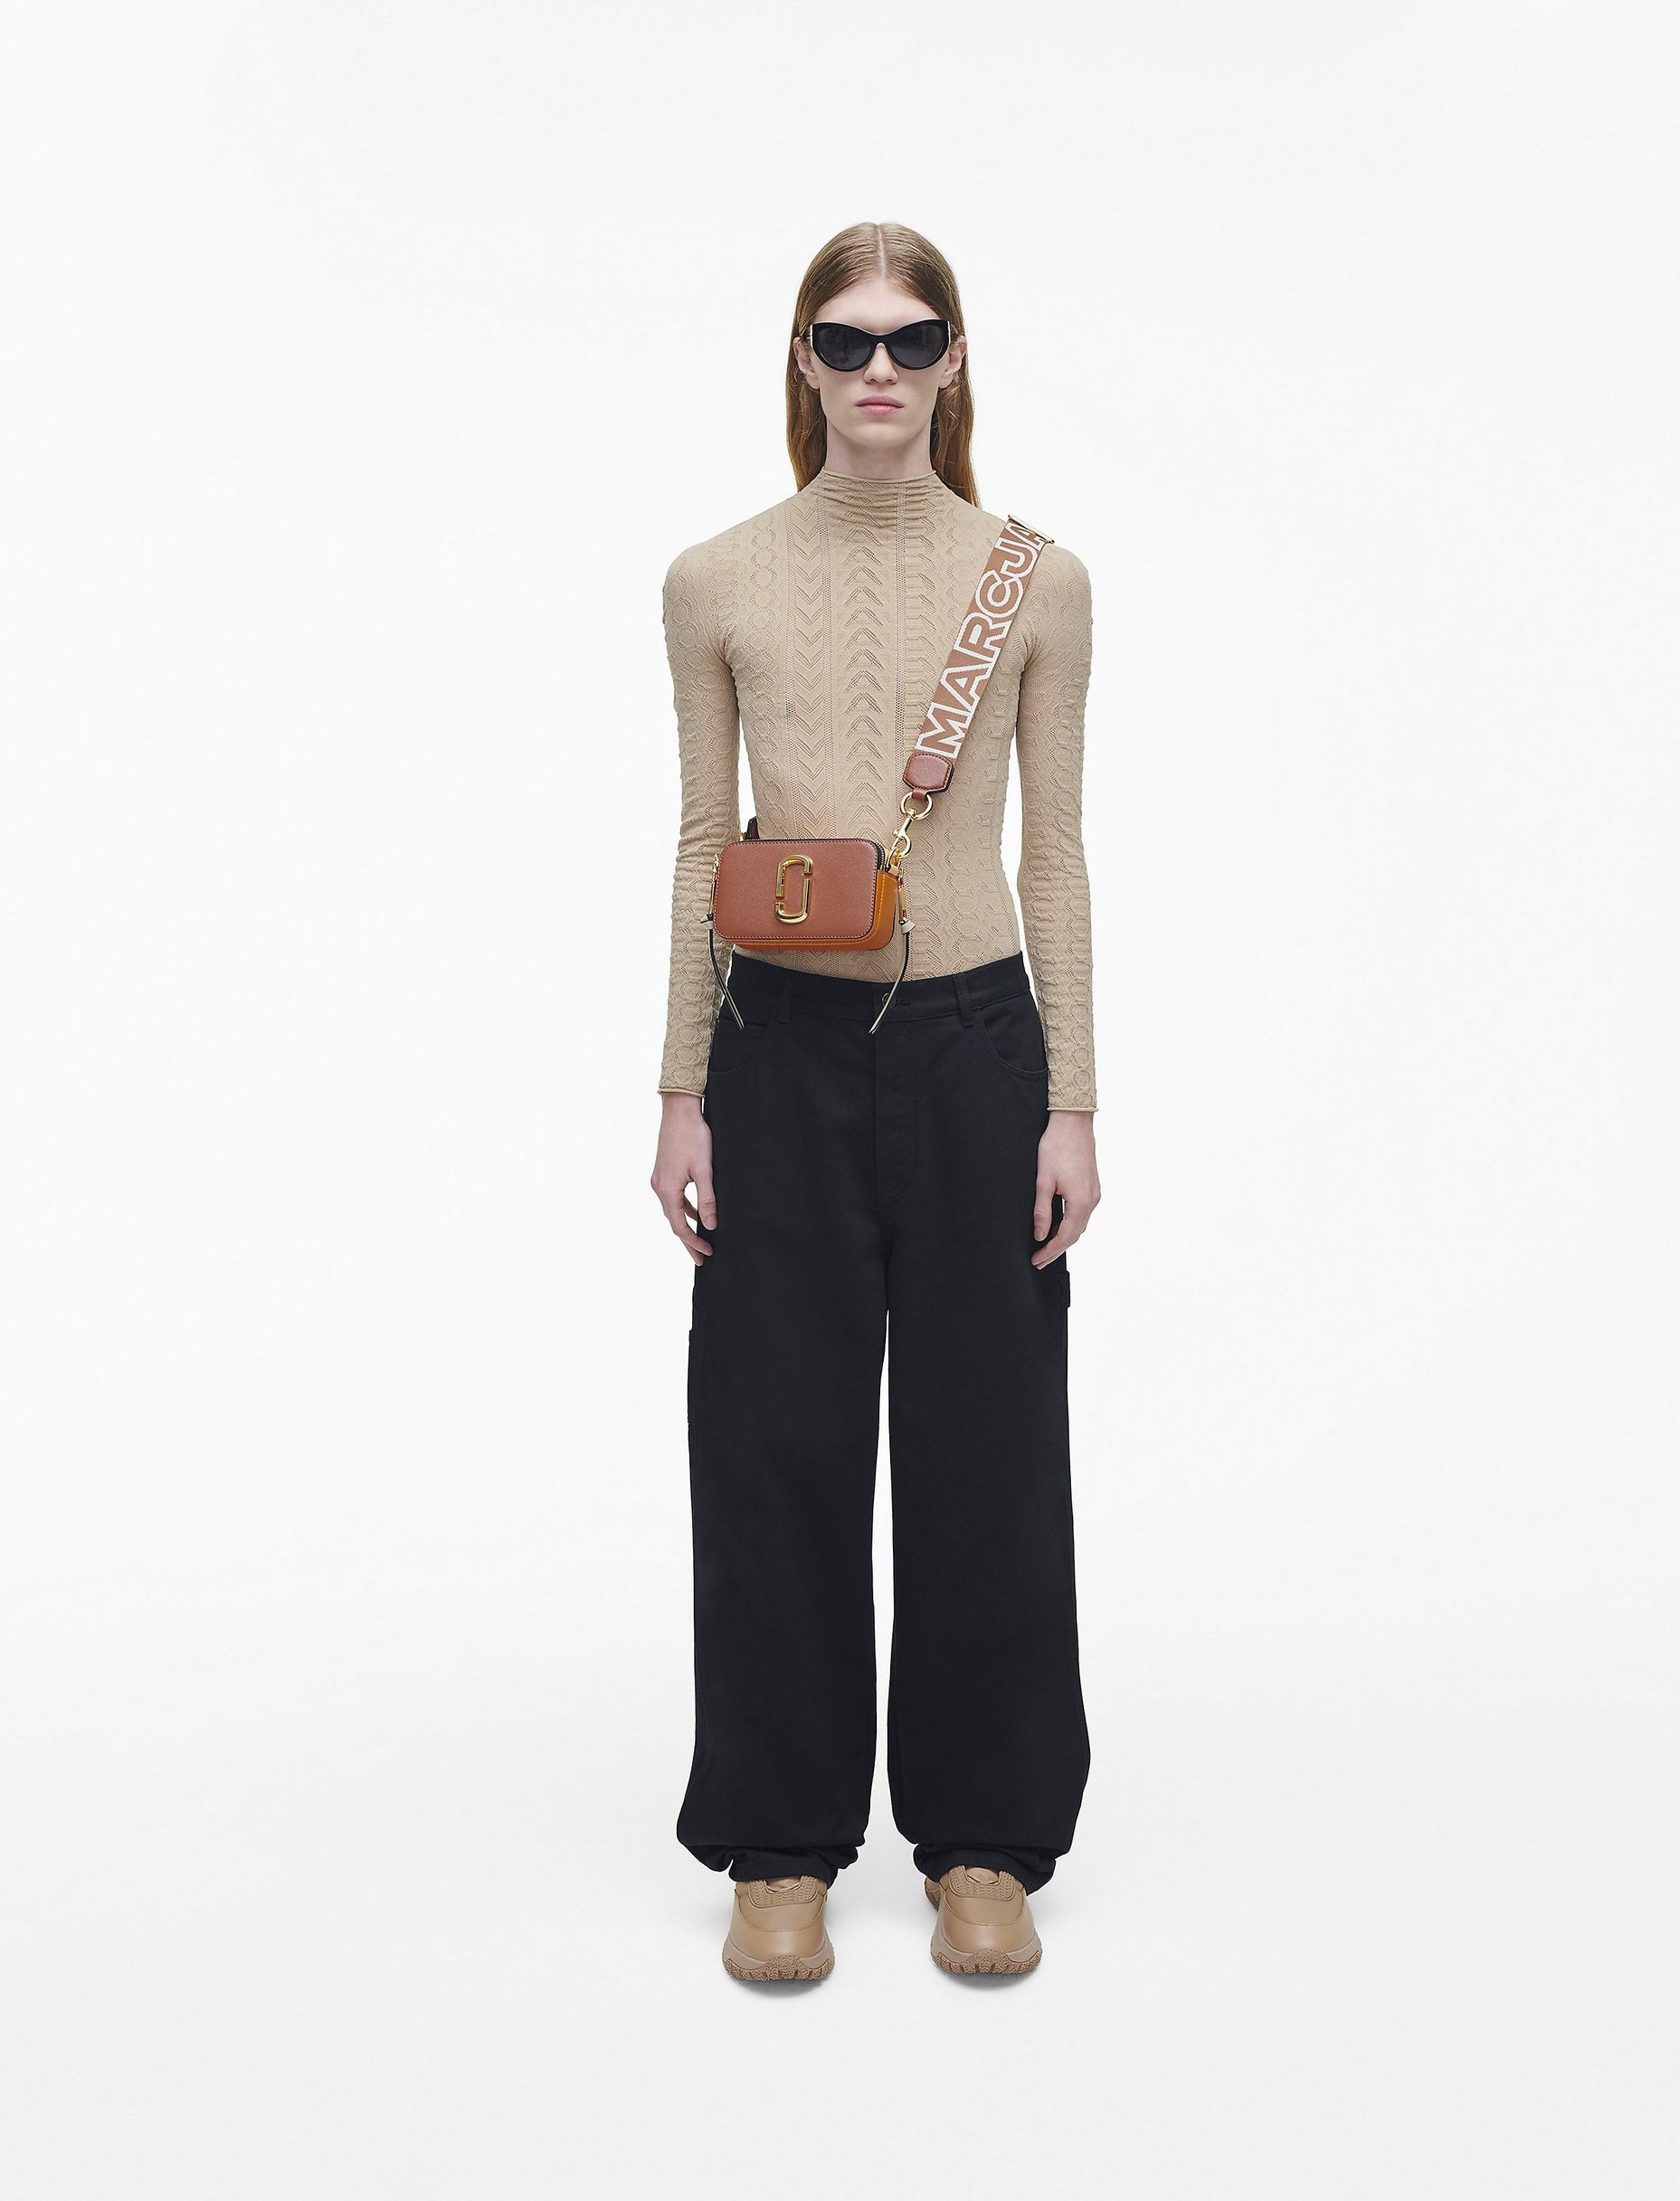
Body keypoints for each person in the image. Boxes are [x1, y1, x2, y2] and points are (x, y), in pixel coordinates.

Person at [650, 221, 1101, 1981]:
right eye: (845, 342)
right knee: (774, 1439)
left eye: (912, 341)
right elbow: (702, 841)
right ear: (803, 361)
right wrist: (681, 1085)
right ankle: (779, 1840)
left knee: (991, 1445)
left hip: (978, 1044)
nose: (880, 372)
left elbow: (1052, 854)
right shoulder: (714, 579)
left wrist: (1073, 1100)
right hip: (776, 1049)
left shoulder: (1033, 580)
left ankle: (983, 1834)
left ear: (955, 361)